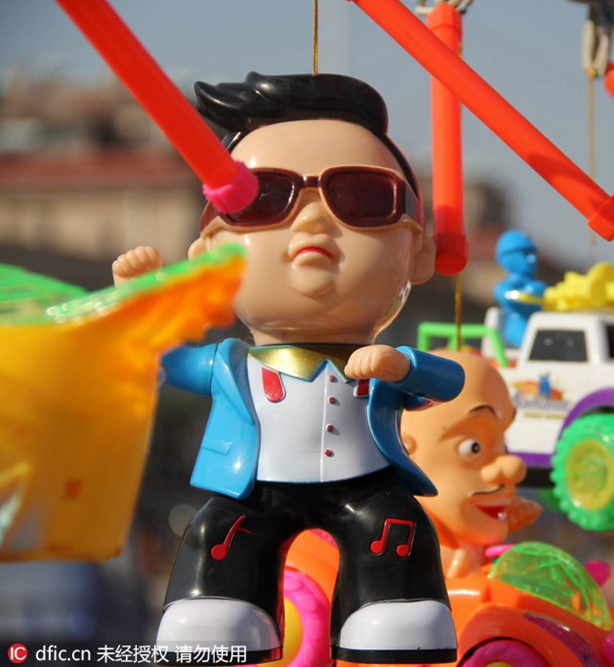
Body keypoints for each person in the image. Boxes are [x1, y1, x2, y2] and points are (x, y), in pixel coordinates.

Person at [112, 72, 461, 665]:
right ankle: (219, 614)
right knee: (218, 539)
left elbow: (447, 380)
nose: (312, 222)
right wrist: (143, 308)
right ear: (207, 255)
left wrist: (401, 367)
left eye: (363, 197)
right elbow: (160, 361)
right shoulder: (231, 364)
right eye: (263, 197)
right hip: (255, 489)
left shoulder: (382, 364)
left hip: (367, 485)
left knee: (397, 536)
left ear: (419, 251)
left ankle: (392, 620)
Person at [399, 351, 541, 578]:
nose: (513, 468)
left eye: (502, 445)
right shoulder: (410, 534)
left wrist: (509, 513)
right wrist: (464, 569)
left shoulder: (467, 528)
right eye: (474, 447)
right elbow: (423, 560)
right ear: (403, 452)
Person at [493, 230, 548, 348]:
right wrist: (517, 295)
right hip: (518, 331)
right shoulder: (507, 286)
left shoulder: (536, 285)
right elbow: (501, 293)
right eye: (525, 253)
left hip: (539, 331)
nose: (533, 259)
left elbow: (541, 291)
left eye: (533, 253)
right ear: (507, 258)